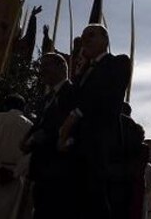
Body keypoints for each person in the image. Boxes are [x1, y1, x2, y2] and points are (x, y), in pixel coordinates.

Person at [58, 24, 132, 218]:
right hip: (76, 145)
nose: (86, 40)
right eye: (83, 38)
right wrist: (77, 70)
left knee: (96, 202)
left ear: (105, 40)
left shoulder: (118, 62)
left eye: (91, 35)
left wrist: (75, 115)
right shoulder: (83, 72)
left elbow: (105, 95)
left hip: (99, 143)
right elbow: (69, 99)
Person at [23, 53, 77, 219]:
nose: (41, 70)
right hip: (41, 170)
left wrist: (47, 136)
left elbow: (70, 126)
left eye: (46, 66)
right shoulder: (46, 99)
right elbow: (40, 124)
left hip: (59, 171)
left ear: (61, 66)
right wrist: (27, 140)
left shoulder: (72, 93)